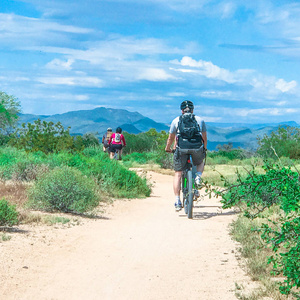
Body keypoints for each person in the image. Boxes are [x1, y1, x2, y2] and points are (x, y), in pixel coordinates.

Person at [165, 100, 207, 211]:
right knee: (200, 161)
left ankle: (177, 200)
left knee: (178, 174)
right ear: (193, 110)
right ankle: (198, 177)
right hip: (196, 147)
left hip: (181, 148)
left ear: (181, 110)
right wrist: (204, 148)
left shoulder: (176, 120)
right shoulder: (200, 120)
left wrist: (167, 148)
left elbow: (171, 138)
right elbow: (204, 137)